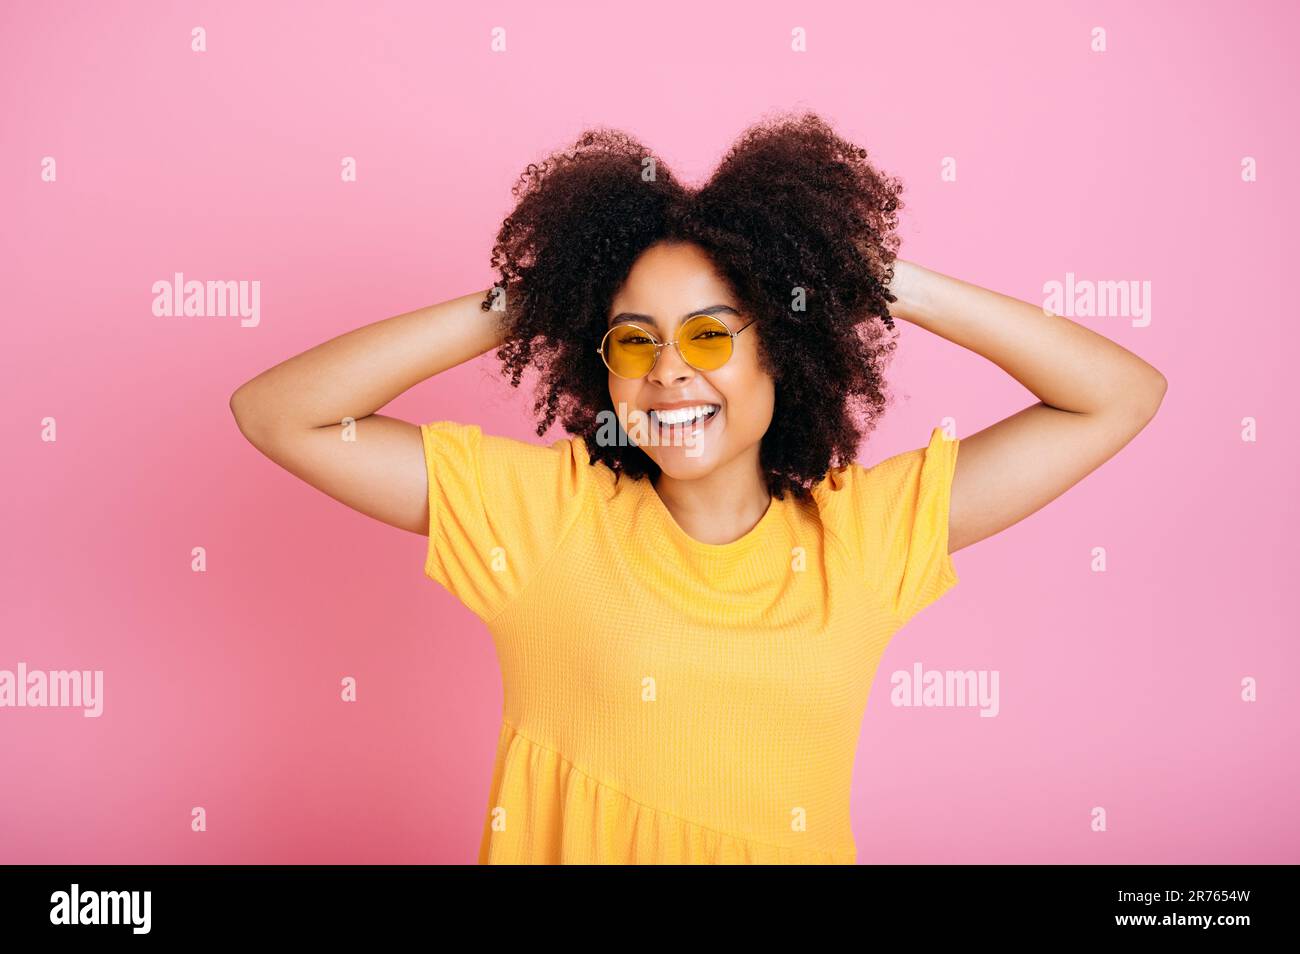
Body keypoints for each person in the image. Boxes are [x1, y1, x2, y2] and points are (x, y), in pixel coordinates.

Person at [228, 112, 1166, 864]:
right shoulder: (545, 519)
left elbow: (1117, 397)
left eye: (710, 335)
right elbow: (280, 413)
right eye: (635, 339)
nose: (669, 372)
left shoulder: (865, 537)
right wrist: (534, 298)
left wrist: (873, 276)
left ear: (784, 354)